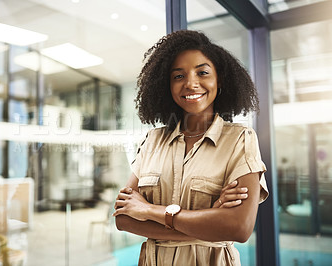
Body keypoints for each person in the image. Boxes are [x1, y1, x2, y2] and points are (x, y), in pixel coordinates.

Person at [113, 30, 269, 266]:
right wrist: (209, 220)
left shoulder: (240, 140)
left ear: (220, 80)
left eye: (202, 72)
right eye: (178, 76)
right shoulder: (152, 141)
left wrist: (150, 211)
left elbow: (239, 228)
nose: (191, 83)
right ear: (167, 85)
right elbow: (124, 219)